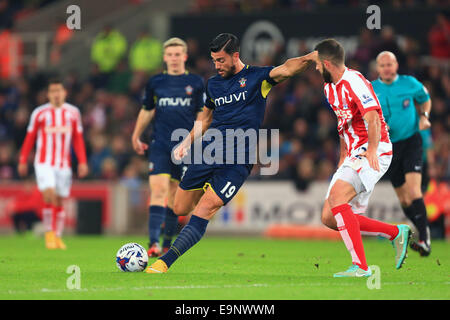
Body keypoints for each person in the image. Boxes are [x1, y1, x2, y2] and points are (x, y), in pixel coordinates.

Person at [145, 33, 317, 274]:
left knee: (205, 208)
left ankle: (165, 261)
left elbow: (287, 69)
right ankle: (205, 191)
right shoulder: (213, 84)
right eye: (214, 60)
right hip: (208, 152)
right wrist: (185, 142)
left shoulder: (258, 78)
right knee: (180, 207)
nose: (217, 66)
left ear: (235, 55)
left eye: (221, 60)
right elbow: (205, 119)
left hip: (238, 161)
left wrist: (312, 56)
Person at [315, 39, 411, 278]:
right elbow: (343, 125)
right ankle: (395, 232)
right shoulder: (329, 88)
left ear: (326, 63)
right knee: (329, 217)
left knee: (338, 198)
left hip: (373, 147)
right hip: (353, 152)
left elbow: (372, 117)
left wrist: (371, 151)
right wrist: (343, 156)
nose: (316, 69)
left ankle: (361, 267)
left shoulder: (354, 81)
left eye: (317, 65)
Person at [131, 38, 205, 257]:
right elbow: (147, 110)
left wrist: (191, 140)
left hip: (184, 146)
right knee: (159, 188)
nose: (173, 58)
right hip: (160, 144)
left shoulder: (196, 82)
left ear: (184, 57)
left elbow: (202, 115)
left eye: (177, 54)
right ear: (165, 57)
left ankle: (165, 244)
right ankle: (153, 243)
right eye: (170, 55)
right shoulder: (156, 82)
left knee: (175, 197)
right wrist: (136, 135)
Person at [372, 51, 432, 256]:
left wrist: (424, 116)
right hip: (389, 148)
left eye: (390, 64)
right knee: (405, 200)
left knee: (414, 191)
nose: (387, 68)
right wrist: (378, 127)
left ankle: (424, 238)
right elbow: (365, 116)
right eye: (383, 65)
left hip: (411, 141)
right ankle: (423, 229)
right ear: (377, 68)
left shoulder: (409, 83)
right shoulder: (371, 89)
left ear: (396, 65)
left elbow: (425, 99)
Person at [18, 78, 89, 249]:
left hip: (63, 164)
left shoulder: (73, 113)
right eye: (52, 91)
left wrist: (82, 161)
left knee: (59, 199)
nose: (56, 94)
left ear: (65, 92)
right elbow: (30, 137)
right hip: (44, 162)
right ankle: (49, 233)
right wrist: (22, 159)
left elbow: (78, 139)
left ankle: (57, 235)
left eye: (59, 91)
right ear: (48, 94)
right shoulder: (40, 113)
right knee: (48, 194)